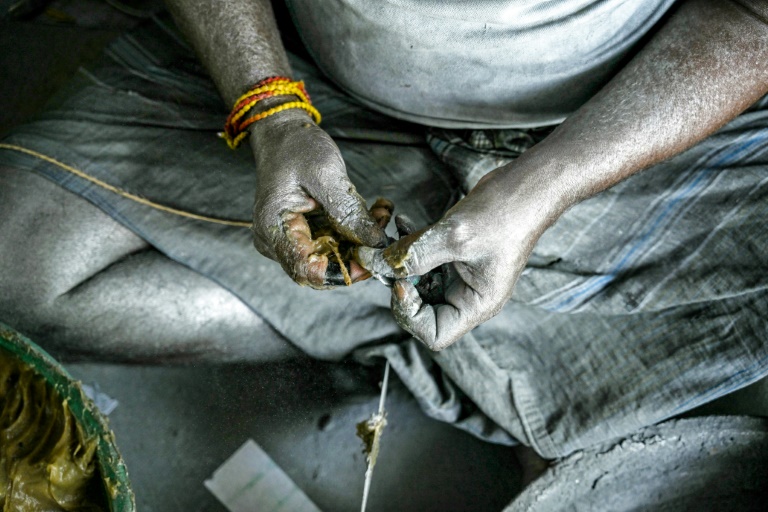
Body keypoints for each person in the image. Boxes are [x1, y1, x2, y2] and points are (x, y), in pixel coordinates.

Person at [0, 0, 767, 459]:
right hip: (296, 73)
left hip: (614, 121)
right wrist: (268, 107)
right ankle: (407, 316)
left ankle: (396, 300)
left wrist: (544, 187)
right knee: (18, 264)